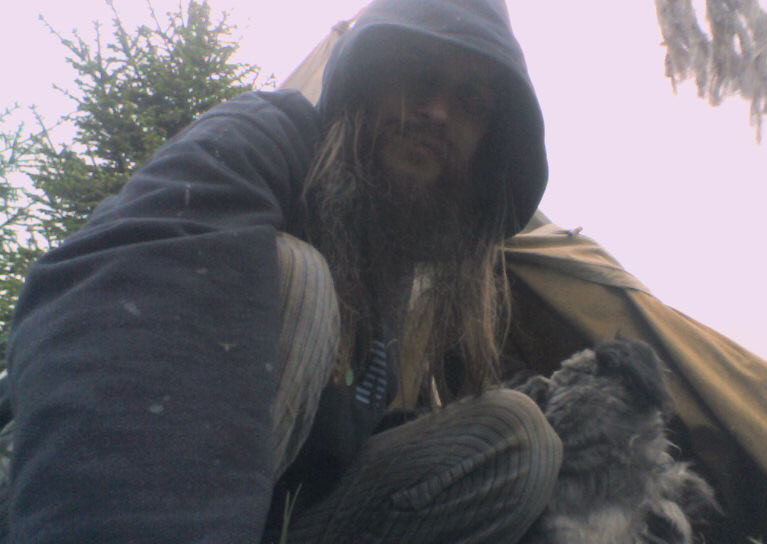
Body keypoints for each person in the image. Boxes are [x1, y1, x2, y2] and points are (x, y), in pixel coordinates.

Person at [1, 0, 560, 542]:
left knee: (514, 435)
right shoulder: (261, 137)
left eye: (470, 100)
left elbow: (330, 444)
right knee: (296, 277)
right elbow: (122, 317)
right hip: (79, 486)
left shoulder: (390, 256)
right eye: (419, 75)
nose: (437, 111)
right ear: (369, 76)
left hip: (267, 508)